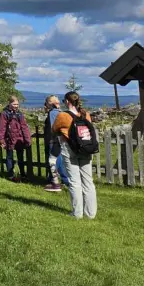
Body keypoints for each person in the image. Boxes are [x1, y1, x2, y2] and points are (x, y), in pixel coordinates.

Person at [52, 91, 98, 219]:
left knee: (74, 181)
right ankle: (90, 213)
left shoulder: (63, 116)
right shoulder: (85, 115)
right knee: (88, 181)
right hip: (85, 149)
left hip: (69, 149)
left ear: (67, 101)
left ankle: (77, 213)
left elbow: (54, 129)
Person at [0, 96, 33, 182]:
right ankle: (11, 175)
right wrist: (1, 140)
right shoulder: (4, 114)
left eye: (17, 104)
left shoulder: (20, 114)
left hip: (19, 139)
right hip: (9, 138)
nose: (16, 106)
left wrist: (27, 139)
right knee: (9, 157)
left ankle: (23, 174)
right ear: (9, 103)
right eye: (14, 104)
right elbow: (2, 128)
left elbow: (24, 127)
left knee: (20, 158)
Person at [43, 96, 67, 192]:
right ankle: (53, 179)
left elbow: (54, 128)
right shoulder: (59, 112)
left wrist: (53, 140)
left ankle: (62, 181)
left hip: (54, 141)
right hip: (58, 140)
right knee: (57, 160)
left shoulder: (53, 113)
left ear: (49, 103)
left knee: (55, 161)